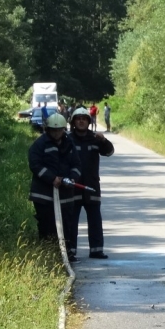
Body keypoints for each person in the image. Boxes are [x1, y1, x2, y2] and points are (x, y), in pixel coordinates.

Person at [28, 112, 82, 262]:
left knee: (67, 224)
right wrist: (52, 178)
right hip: (44, 194)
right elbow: (35, 164)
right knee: (47, 224)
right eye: (53, 130)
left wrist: (71, 178)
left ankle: (67, 254)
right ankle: (47, 254)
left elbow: (77, 165)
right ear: (48, 129)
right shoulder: (40, 144)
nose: (57, 133)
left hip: (65, 194)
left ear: (64, 129)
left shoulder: (69, 144)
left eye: (59, 130)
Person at [66, 107, 115, 259]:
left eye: (84, 118)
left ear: (88, 121)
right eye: (78, 118)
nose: (81, 121)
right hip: (73, 186)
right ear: (73, 122)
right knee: (71, 220)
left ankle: (96, 250)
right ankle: (70, 250)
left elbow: (109, 152)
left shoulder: (95, 139)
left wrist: (104, 140)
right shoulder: (67, 139)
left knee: (95, 218)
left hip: (92, 185)